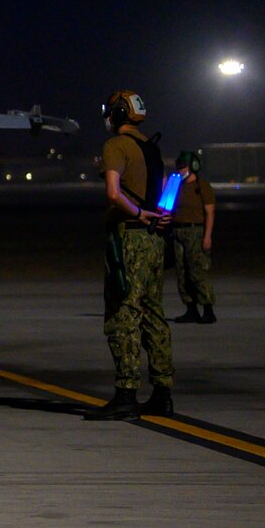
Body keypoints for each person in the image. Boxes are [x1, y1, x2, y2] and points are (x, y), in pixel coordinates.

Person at [84, 90, 174, 421]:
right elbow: (165, 193)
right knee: (154, 315)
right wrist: (157, 215)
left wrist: (137, 212)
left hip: (129, 239)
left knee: (123, 314)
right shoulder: (151, 148)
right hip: (154, 240)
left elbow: (112, 193)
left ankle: (126, 394)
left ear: (120, 114)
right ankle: (163, 393)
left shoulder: (115, 146)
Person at [166, 150, 217, 325]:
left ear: (193, 166)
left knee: (197, 272)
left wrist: (207, 236)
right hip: (178, 231)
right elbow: (166, 207)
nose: (180, 170)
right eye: (179, 166)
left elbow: (210, 212)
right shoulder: (176, 186)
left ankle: (208, 309)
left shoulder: (202, 186)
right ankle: (191, 309)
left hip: (195, 232)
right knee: (181, 272)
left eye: (184, 166)